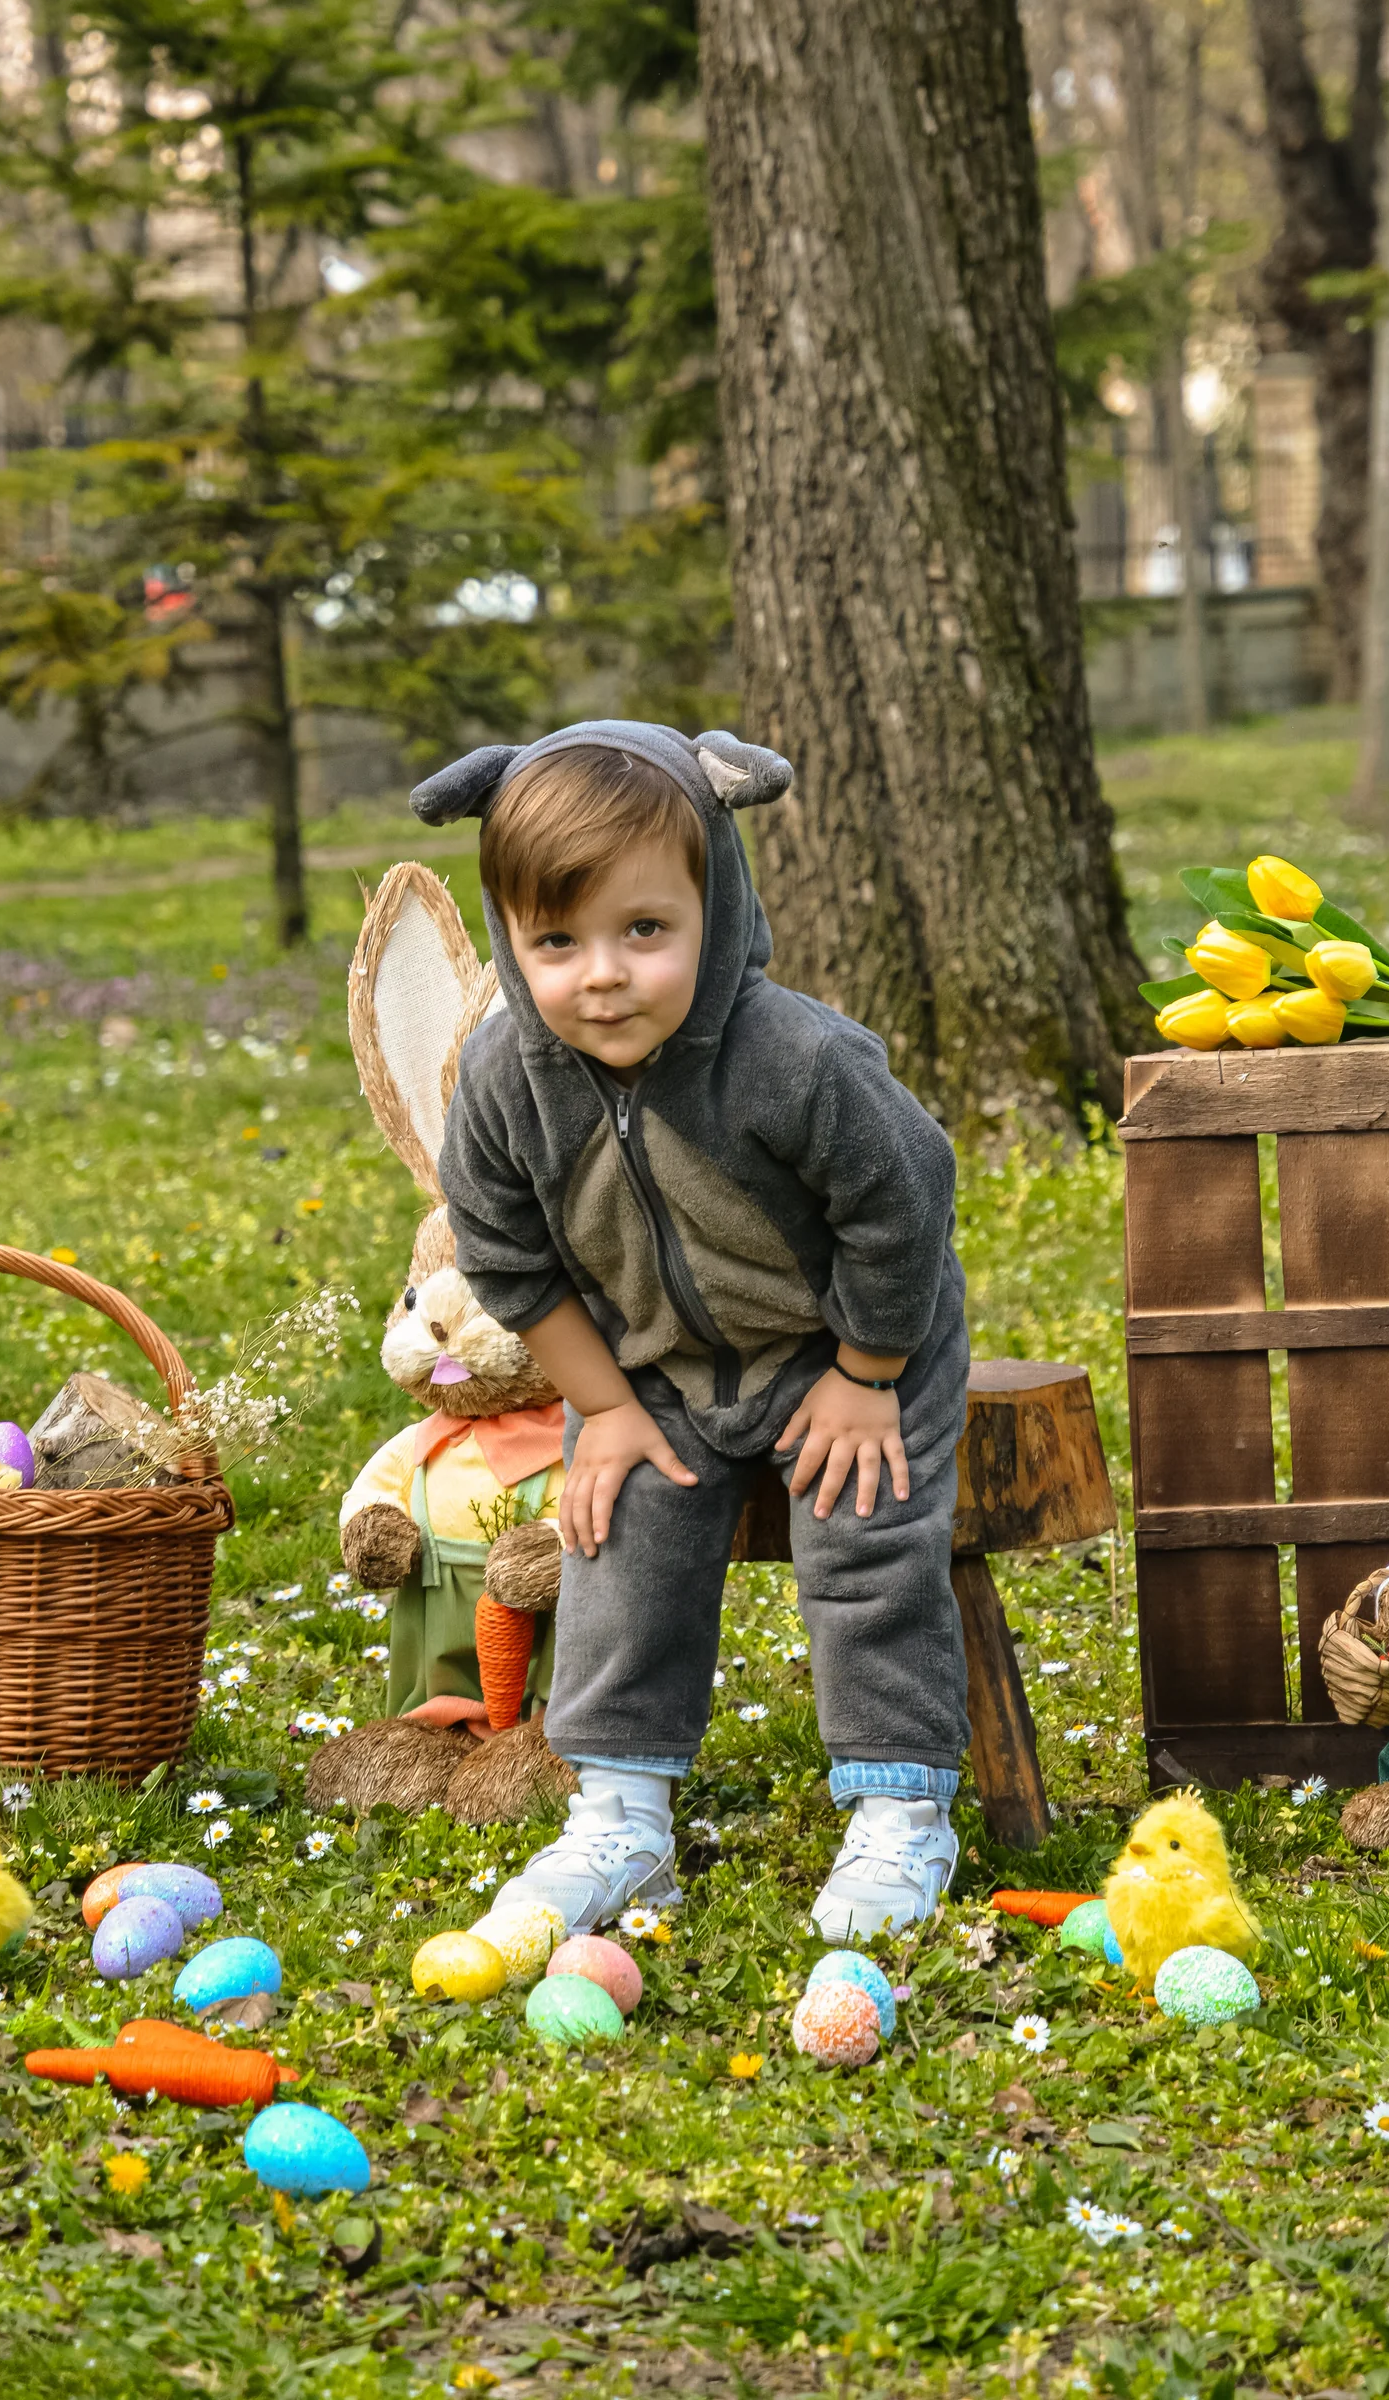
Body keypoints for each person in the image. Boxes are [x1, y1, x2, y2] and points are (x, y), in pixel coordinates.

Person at [411, 720, 970, 1945]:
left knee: (863, 1526)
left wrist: (870, 1372)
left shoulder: (792, 1058)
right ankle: (620, 1815)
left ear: (714, 908)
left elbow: (905, 1198)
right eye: (556, 942)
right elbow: (503, 1251)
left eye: (643, 933)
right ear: (511, 937)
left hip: (855, 1346)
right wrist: (602, 1405)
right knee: (621, 1530)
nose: (600, 974)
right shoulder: (509, 1077)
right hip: (657, 1360)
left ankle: (901, 1806)